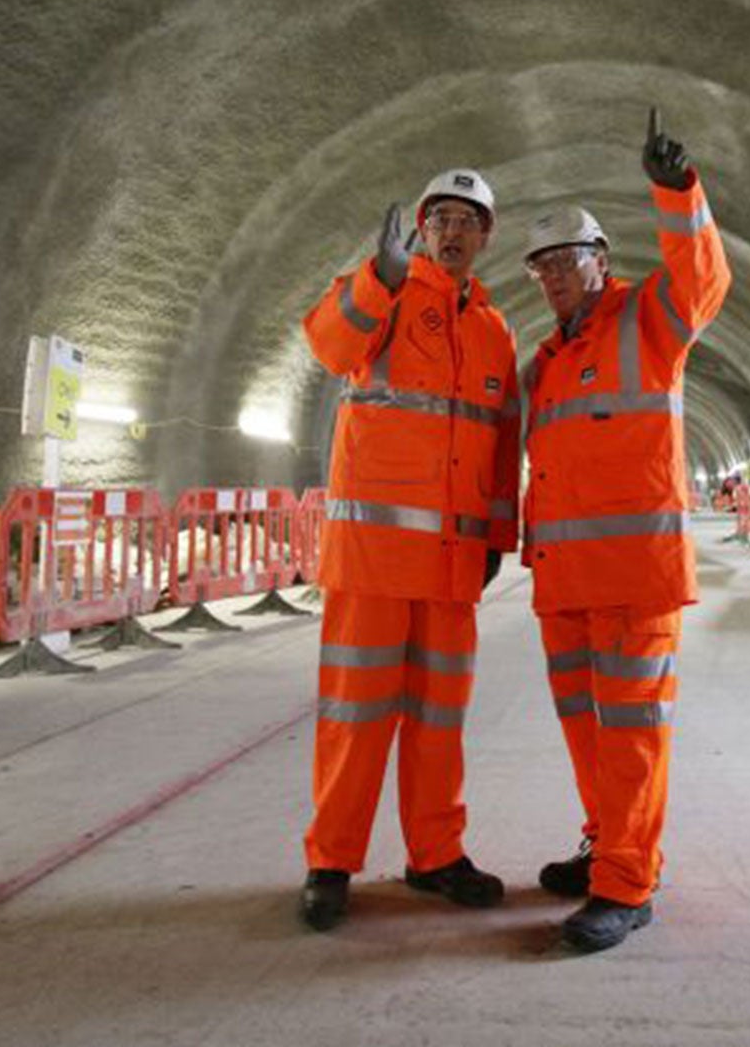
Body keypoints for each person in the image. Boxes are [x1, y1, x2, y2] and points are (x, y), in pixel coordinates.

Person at [519, 110, 731, 952]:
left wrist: (678, 194)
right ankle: (607, 843)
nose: (555, 277)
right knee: (587, 732)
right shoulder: (546, 363)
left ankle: (626, 886)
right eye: (542, 267)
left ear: (601, 262)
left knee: (633, 737)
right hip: (565, 586)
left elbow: (704, 280)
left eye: (567, 260)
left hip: (637, 581)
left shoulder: (651, 321)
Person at [296, 168, 521, 931]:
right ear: (423, 229)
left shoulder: (494, 329)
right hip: (373, 560)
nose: (453, 232)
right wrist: (376, 278)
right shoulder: (383, 295)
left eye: (469, 221)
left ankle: (436, 856)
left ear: (487, 236)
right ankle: (331, 862)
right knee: (357, 715)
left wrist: (497, 534)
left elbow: (501, 445)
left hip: (453, 568)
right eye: (442, 219)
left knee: (438, 721)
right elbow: (329, 347)